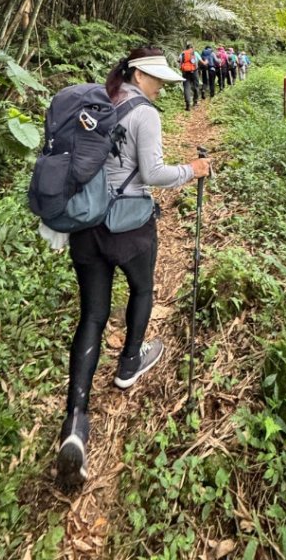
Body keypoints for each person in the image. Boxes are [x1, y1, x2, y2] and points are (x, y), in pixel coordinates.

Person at [57, 47, 211, 487]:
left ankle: (74, 423)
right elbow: (155, 173)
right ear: (140, 75)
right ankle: (129, 362)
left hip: (85, 224)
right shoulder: (145, 114)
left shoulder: (98, 101)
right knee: (143, 290)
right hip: (128, 224)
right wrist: (194, 169)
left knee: (91, 315)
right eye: (158, 79)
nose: (162, 86)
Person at [178, 42, 200, 109]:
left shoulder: (182, 53)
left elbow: (178, 60)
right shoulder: (195, 53)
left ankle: (188, 104)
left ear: (186, 48)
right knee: (196, 86)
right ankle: (195, 103)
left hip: (185, 72)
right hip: (194, 71)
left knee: (186, 87)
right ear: (192, 47)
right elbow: (199, 60)